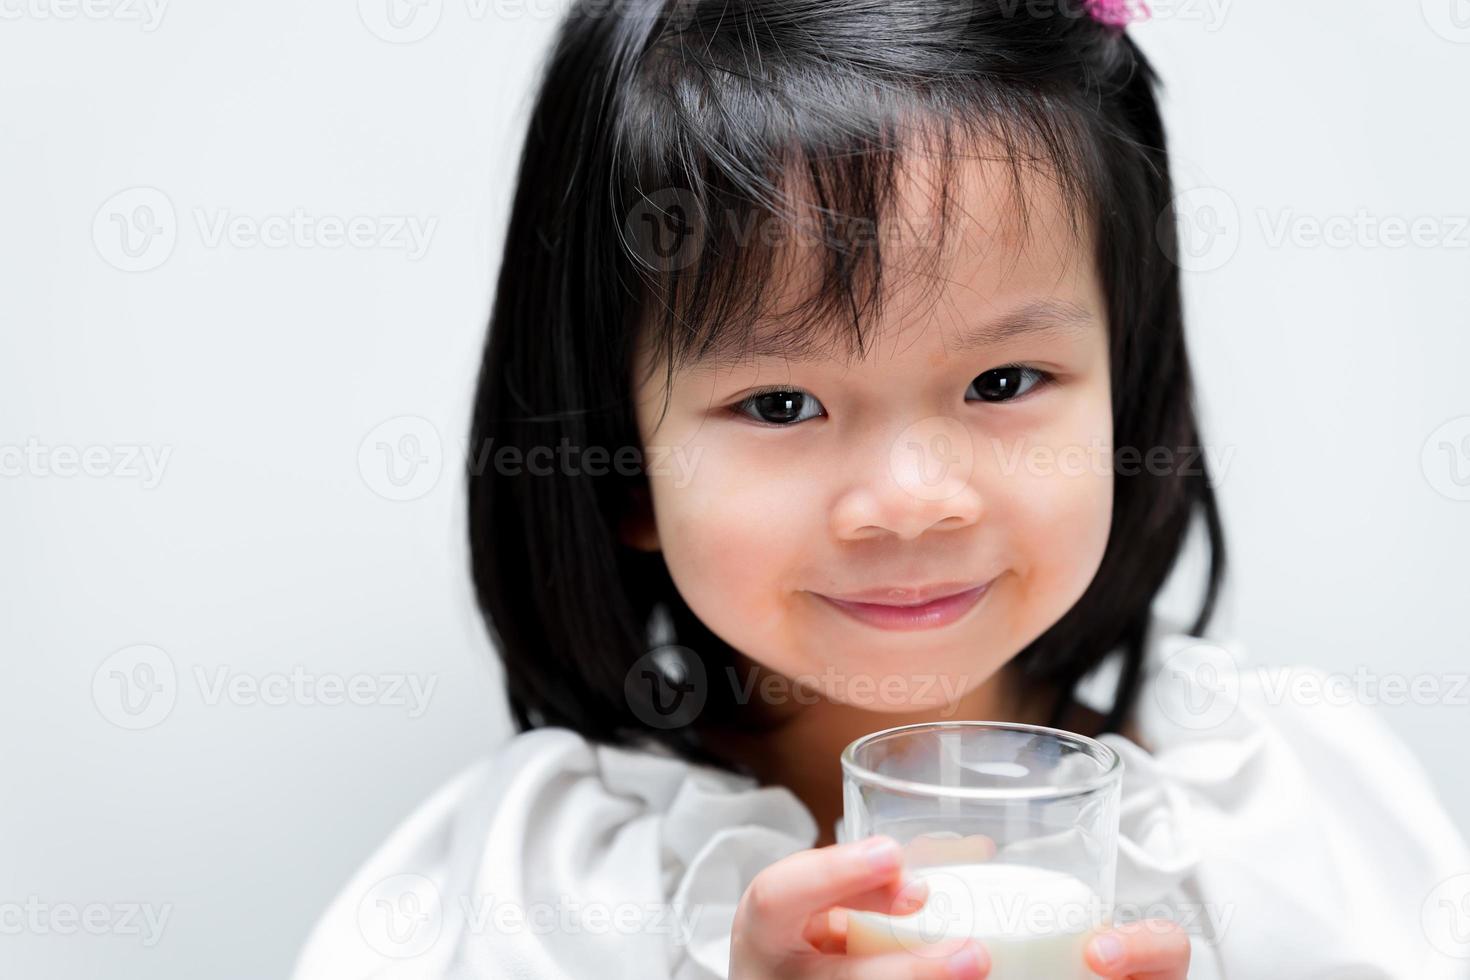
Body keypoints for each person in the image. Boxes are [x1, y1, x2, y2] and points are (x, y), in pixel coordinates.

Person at [292, 0, 1470, 976]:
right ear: (618, 459)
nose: (911, 500)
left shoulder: (1279, 817)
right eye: (781, 405)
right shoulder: (535, 886)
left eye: (1004, 379)